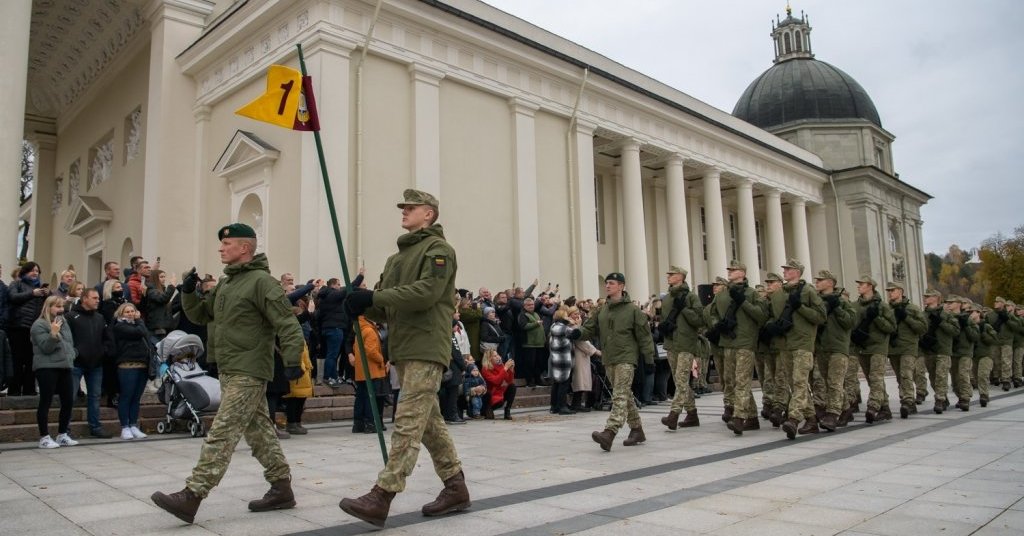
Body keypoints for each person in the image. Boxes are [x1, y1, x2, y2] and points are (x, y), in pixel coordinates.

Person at [151, 222, 305, 524]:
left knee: (223, 430)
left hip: (250, 368)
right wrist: (188, 292)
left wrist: (291, 360)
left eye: (227, 244)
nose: (221, 248)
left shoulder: (262, 282)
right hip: (228, 366)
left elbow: (287, 323)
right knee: (259, 430)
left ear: (244, 248)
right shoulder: (227, 283)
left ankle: (192, 495)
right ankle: (281, 488)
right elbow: (200, 314)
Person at [339, 189, 470, 527]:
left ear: (429, 214)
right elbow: (385, 306)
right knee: (428, 424)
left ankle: (382, 494)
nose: (404, 212)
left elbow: (427, 293)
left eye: (411, 208)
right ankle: (455, 486)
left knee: (408, 419)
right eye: (403, 207)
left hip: (427, 346)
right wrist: (361, 303)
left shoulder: (439, 250)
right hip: (402, 347)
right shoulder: (396, 259)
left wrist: (376, 295)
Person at [571, 272, 655, 451]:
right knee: (624, 395)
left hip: (626, 357)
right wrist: (578, 333)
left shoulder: (633, 310)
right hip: (609, 358)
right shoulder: (602, 310)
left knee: (619, 395)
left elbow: (645, 337)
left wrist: (649, 359)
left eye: (611, 283)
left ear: (621, 286)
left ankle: (609, 432)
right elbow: (590, 328)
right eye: (607, 283)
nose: (607, 286)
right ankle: (637, 430)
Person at [708, 261, 766, 435]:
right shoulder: (722, 295)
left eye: (733, 270)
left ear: (742, 272)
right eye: (729, 270)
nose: (730, 272)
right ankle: (753, 417)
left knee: (742, 380)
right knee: (732, 381)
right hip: (728, 342)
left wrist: (743, 302)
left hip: (745, 343)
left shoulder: (752, 294)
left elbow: (761, 316)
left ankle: (739, 418)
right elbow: (712, 313)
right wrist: (718, 325)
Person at [769, 259, 826, 439]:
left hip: (803, 343)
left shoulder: (808, 291)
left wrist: (800, 307)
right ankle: (811, 419)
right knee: (795, 383)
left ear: (797, 272)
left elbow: (820, 317)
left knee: (800, 381)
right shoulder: (778, 294)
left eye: (788, 269)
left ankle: (793, 418)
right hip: (785, 344)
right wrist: (773, 326)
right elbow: (772, 315)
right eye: (784, 269)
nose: (784, 271)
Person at [658, 265, 703, 430]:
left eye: (672, 274)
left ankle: (674, 415)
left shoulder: (691, 297)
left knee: (682, 379)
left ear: (681, 277)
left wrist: (684, 309)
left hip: (686, 343)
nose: (668, 276)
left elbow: (699, 321)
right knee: (679, 381)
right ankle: (692, 415)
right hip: (671, 343)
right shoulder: (668, 298)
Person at [32, 295, 79, 449]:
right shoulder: (38, 325)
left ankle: (62, 434)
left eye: (62, 306)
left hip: (65, 366)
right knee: (46, 401)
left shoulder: (63, 322)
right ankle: (44, 437)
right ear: (49, 307)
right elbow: (46, 347)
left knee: (68, 401)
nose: (61, 309)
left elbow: (69, 343)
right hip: (47, 367)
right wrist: (53, 333)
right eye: (57, 306)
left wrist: (72, 354)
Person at [66, 288, 112, 438]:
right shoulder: (71, 316)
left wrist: (103, 351)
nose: (98, 300)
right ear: (84, 298)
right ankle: (64, 429)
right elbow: (66, 339)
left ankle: (95, 427)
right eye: (94, 298)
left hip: (96, 364)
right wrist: (75, 353)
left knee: (95, 396)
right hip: (76, 364)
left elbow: (107, 338)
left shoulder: (100, 317)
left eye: (98, 298)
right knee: (70, 396)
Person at [850, 275, 896, 423]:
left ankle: (873, 407)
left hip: (878, 347)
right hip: (862, 347)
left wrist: (877, 318)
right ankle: (885, 408)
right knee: (872, 380)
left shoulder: (882, 306)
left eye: (861, 284)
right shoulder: (855, 306)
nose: (858, 286)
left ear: (870, 286)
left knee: (876, 378)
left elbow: (891, 327)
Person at [812, 271, 855, 430]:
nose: (817, 282)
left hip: (838, 348)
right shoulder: (816, 301)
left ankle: (832, 414)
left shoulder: (842, 302)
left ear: (830, 282)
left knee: (835, 381)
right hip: (822, 348)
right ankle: (845, 409)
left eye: (821, 280)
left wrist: (836, 307)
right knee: (828, 382)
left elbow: (850, 322)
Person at [109, 302, 156, 440]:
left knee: (136, 397)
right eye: (127, 312)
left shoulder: (138, 324)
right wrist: (139, 320)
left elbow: (145, 335)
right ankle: (125, 427)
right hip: (127, 365)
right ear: (121, 313)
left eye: (132, 311)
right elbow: (139, 332)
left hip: (142, 364)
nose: (130, 314)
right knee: (126, 396)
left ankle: (133, 425)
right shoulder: (120, 326)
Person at [8, 261, 50, 396]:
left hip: (35, 328)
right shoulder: (17, 284)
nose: (35, 273)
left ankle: (29, 389)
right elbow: (13, 297)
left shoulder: (39, 287)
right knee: (17, 360)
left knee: (32, 360)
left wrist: (46, 295)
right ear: (25, 272)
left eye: (37, 271)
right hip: (19, 327)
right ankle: (14, 390)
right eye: (32, 270)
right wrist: (32, 293)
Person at [885, 282, 926, 419]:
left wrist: (906, 318)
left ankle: (908, 401)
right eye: (889, 291)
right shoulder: (886, 309)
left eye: (893, 290)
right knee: (899, 377)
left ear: (901, 291)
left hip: (909, 347)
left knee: (906, 374)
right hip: (893, 347)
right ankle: (905, 398)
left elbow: (922, 328)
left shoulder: (912, 308)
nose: (890, 293)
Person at [919, 289, 959, 414]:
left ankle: (939, 400)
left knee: (941, 375)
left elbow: (955, 331)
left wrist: (941, 322)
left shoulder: (946, 315)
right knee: (933, 377)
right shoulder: (922, 315)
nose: (925, 298)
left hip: (943, 349)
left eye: (928, 296)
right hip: (929, 350)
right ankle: (942, 397)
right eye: (925, 296)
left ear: (936, 298)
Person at [349, 314, 387, 433]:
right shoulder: (370, 331)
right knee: (371, 398)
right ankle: (369, 423)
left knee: (360, 397)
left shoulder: (360, 330)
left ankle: (358, 424)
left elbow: (355, 348)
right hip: (372, 370)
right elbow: (371, 351)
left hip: (361, 370)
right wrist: (381, 359)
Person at [569, 307, 600, 412]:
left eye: (578, 314)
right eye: (574, 314)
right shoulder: (573, 327)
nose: (577, 316)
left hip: (582, 356)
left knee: (581, 381)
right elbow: (581, 341)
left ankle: (577, 404)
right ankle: (576, 404)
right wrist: (595, 351)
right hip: (578, 356)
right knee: (579, 380)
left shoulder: (577, 326)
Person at [547, 306, 575, 415]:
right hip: (563, 359)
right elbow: (576, 334)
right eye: (566, 315)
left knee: (557, 383)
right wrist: (576, 324)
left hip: (556, 358)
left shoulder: (554, 326)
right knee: (564, 383)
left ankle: (554, 406)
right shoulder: (563, 328)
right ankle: (562, 406)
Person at [481, 349, 516, 419]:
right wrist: (505, 368)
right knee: (489, 416)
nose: (498, 357)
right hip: (490, 395)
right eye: (495, 356)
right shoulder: (485, 369)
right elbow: (496, 381)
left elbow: (509, 381)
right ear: (489, 359)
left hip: (499, 392)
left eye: (497, 355)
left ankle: (507, 410)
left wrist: (511, 370)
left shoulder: (501, 365)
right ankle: (486, 410)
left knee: (512, 387)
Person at [144, 269, 177, 340]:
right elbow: (163, 299)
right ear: (155, 278)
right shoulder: (151, 291)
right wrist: (171, 286)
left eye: (164, 277)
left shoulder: (162, 290)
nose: (164, 279)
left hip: (164, 328)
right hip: (157, 329)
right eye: (161, 277)